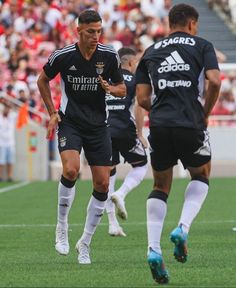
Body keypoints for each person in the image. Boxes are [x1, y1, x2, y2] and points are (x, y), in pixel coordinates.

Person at [135, 3, 221, 284]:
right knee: (201, 174)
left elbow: (142, 99)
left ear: (170, 23)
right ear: (193, 24)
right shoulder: (202, 44)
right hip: (190, 121)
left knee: (160, 186)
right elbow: (215, 81)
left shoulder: (151, 51)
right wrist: (204, 113)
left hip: (159, 124)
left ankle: (153, 249)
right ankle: (182, 228)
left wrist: (161, 110)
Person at [37, 9, 126, 264]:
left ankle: (85, 243)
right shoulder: (63, 56)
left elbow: (122, 89)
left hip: (99, 126)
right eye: (91, 31)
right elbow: (42, 80)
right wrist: (52, 112)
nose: (96, 36)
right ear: (79, 31)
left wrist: (110, 88)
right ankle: (62, 227)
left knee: (102, 184)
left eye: (99, 31)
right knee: (72, 170)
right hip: (71, 123)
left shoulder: (109, 56)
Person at [105, 47, 148, 237]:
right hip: (125, 130)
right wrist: (140, 133)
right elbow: (139, 106)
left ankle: (112, 224)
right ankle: (122, 193)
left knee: (108, 177)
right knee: (141, 165)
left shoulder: (105, 79)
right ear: (130, 63)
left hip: (103, 132)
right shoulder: (134, 79)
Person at [0, 101, 17, 182]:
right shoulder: (0, 117)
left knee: (10, 160)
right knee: (1, 161)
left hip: (10, 143)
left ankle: (9, 176)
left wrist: (11, 106)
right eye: (5, 107)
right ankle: (0, 176)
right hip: (1, 143)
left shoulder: (11, 117)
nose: (7, 109)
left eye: (8, 108)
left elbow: (17, 112)